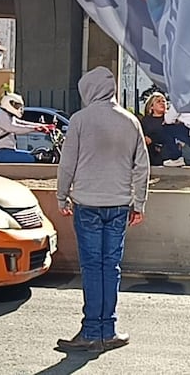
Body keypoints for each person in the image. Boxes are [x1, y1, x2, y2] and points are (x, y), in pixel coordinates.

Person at [56, 67, 150, 353]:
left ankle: (90, 332)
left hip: (87, 206)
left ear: (89, 90)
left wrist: (62, 197)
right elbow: (142, 166)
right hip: (119, 205)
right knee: (111, 268)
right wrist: (139, 203)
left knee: (92, 268)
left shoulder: (80, 120)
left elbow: (67, 163)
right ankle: (107, 330)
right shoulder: (131, 121)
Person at [0, 92, 49, 163]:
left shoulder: (9, 116)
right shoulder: (2, 116)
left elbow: (22, 123)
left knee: (33, 154)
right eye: (17, 106)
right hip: (1, 153)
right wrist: (35, 128)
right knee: (31, 158)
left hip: (8, 151)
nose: (19, 109)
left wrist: (41, 126)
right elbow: (14, 128)